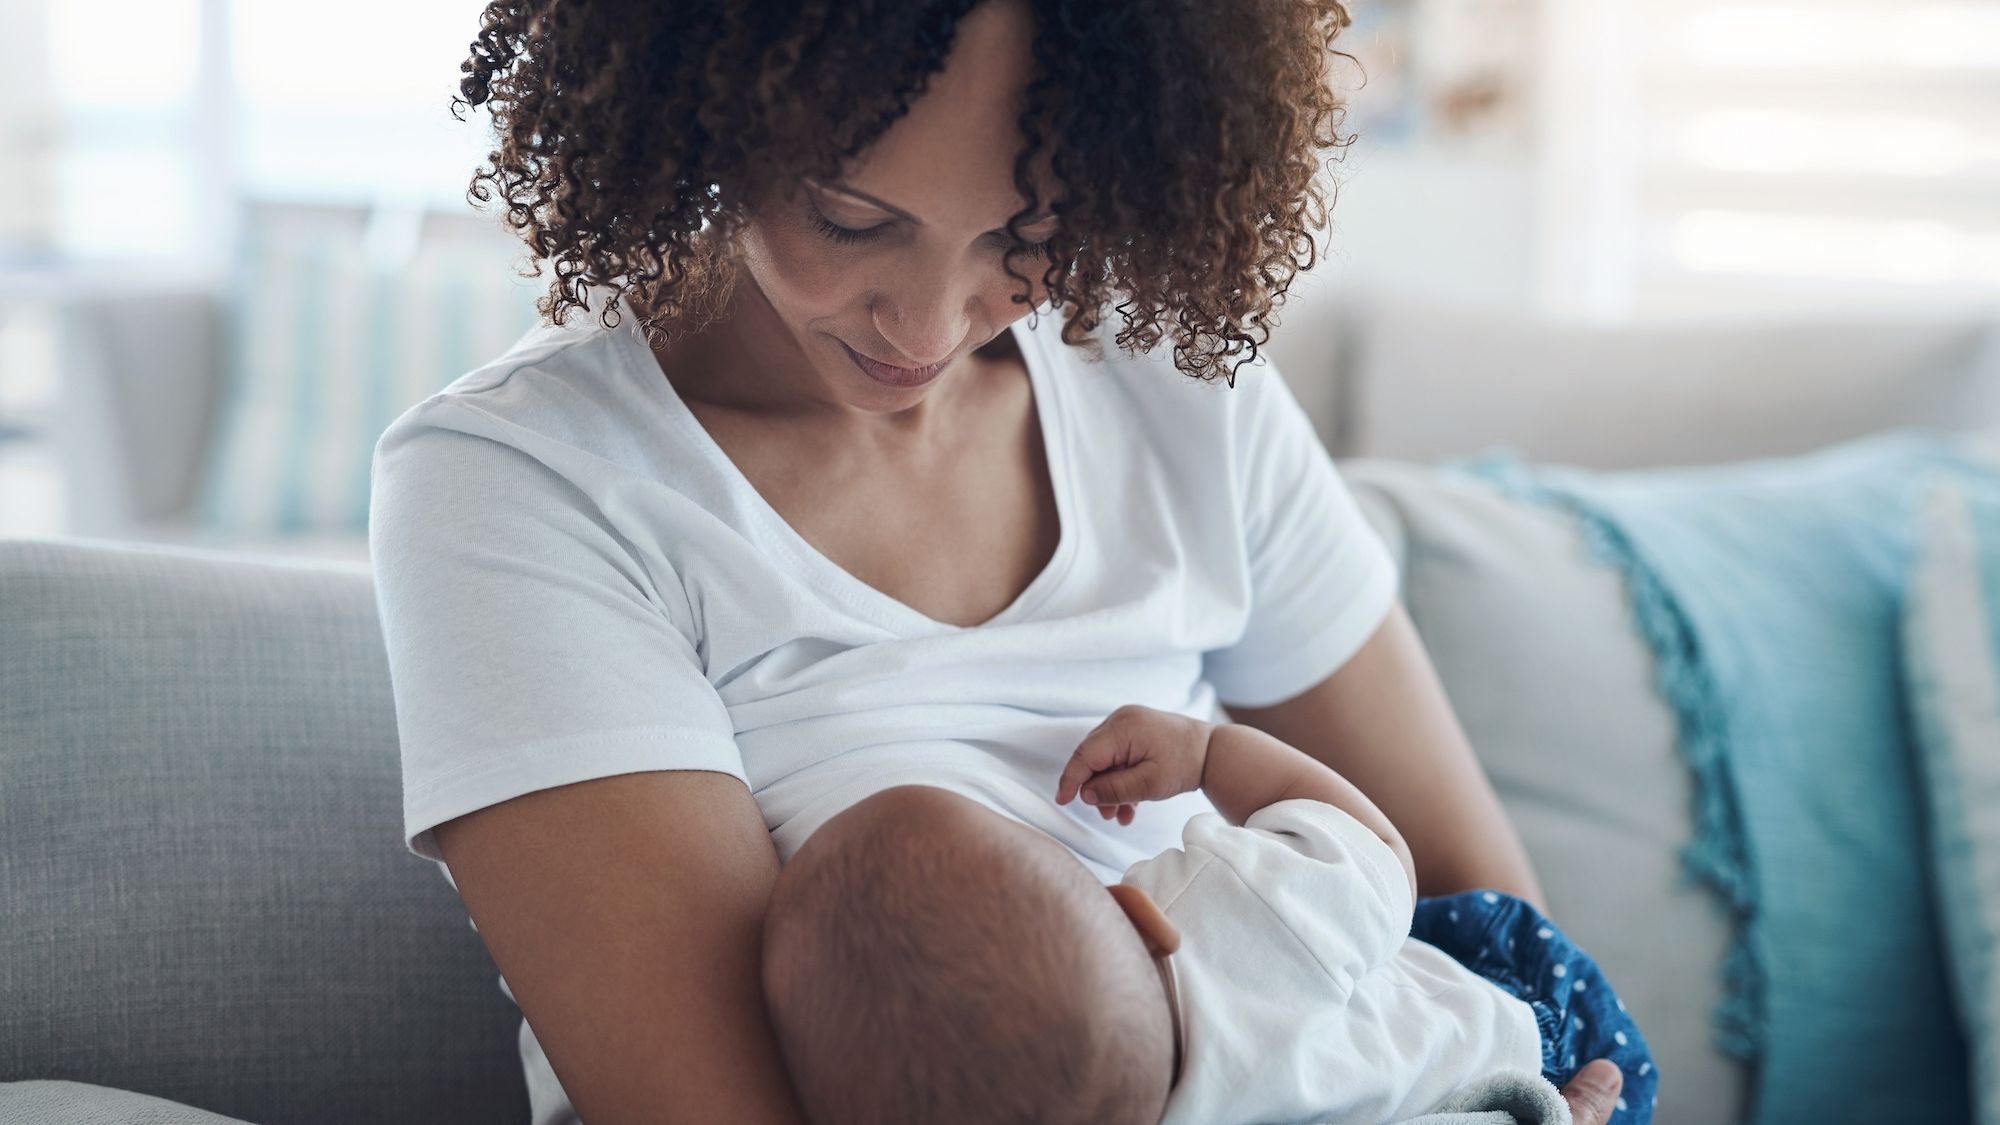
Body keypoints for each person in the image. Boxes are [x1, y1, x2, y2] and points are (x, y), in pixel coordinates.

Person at [366, 1, 1629, 1122]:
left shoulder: (1176, 388)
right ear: (699, 113)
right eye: (850, 219)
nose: (924, 325)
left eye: (1026, 234)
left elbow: (1492, 928)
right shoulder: (521, 484)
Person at [760, 705, 1658, 1125]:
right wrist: (1212, 752)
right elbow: (1373, 853)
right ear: (1136, 915)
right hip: (1531, 1022)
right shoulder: (1220, 909)